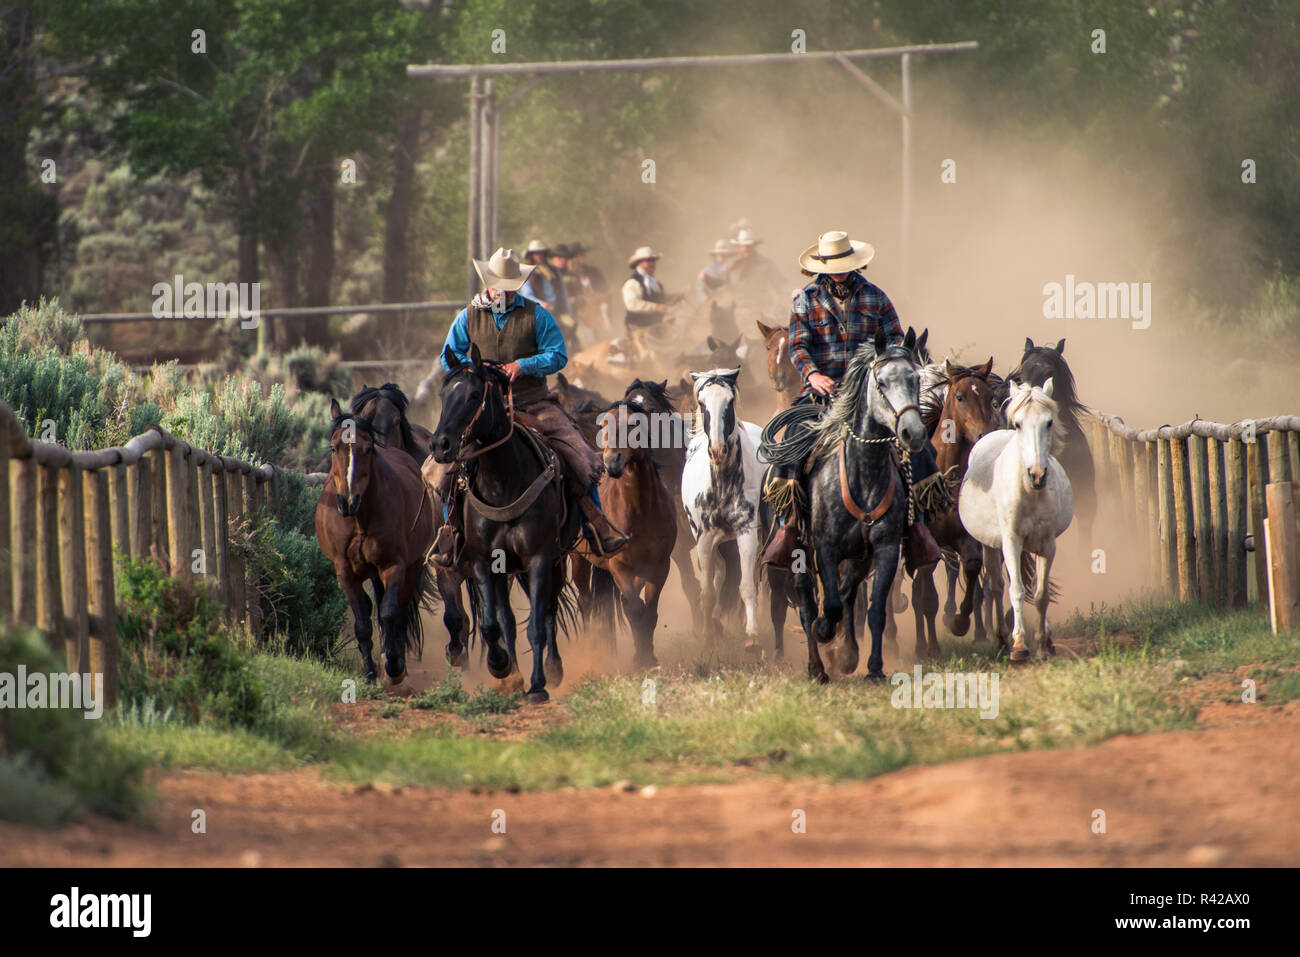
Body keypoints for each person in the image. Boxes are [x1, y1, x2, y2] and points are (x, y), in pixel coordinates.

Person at [424, 247, 629, 565]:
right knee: (441, 465)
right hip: (481, 407)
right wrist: (476, 370)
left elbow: (558, 354)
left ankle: (597, 526)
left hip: (533, 403)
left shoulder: (537, 315)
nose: (501, 290)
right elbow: (448, 354)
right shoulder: (467, 316)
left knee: (580, 455)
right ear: (488, 282)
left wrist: (524, 365)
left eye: (508, 284)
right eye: (496, 283)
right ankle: (448, 532)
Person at [759, 230, 942, 573]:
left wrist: (887, 372)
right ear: (822, 267)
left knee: (918, 446)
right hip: (821, 394)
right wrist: (812, 374)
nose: (839, 271)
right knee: (791, 444)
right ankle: (788, 527)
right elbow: (798, 346)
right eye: (833, 265)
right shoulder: (805, 300)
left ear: (855, 265)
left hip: (872, 396)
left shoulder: (876, 298)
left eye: (844, 265)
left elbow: (895, 343)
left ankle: (918, 528)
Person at [520, 238, 578, 348]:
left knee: (571, 326)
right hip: (537, 311)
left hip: (556, 309)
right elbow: (526, 295)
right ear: (531, 255)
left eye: (541, 253)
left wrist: (567, 310)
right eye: (536, 253)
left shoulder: (554, 271)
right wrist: (540, 303)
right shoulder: (527, 273)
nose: (539, 256)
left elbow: (563, 293)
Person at [621, 245, 684, 337]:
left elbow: (661, 299)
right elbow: (632, 304)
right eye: (648, 261)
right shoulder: (632, 283)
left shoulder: (655, 283)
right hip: (638, 327)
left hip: (657, 326)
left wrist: (675, 297)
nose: (652, 263)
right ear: (639, 263)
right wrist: (655, 307)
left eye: (653, 260)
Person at [726, 227, 786, 318]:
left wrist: (791, 294)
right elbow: (723, 285)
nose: (746, 248)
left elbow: (780, 282)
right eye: (743, 246)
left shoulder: (765, 264)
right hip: (737, 311)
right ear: (739, 247)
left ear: (754, 246)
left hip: (762, 308)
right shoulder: (732, 266)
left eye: (748, 246)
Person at [565, 241, 612, 339]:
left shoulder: (594, 272)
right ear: (572, 259)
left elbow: (607, 292)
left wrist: (598, 296)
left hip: (600, 311)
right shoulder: (567, 278)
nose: (582, 257)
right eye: (578, 255)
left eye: (582, 255)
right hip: (580, 315)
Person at [695, 239, 734, 304]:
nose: (722, 256)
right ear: (715, 255)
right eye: (720, 254)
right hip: (713, 304)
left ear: (728, 255)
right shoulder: (706, 271)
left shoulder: (733, 269)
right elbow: (700, 290)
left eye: (724, 254)